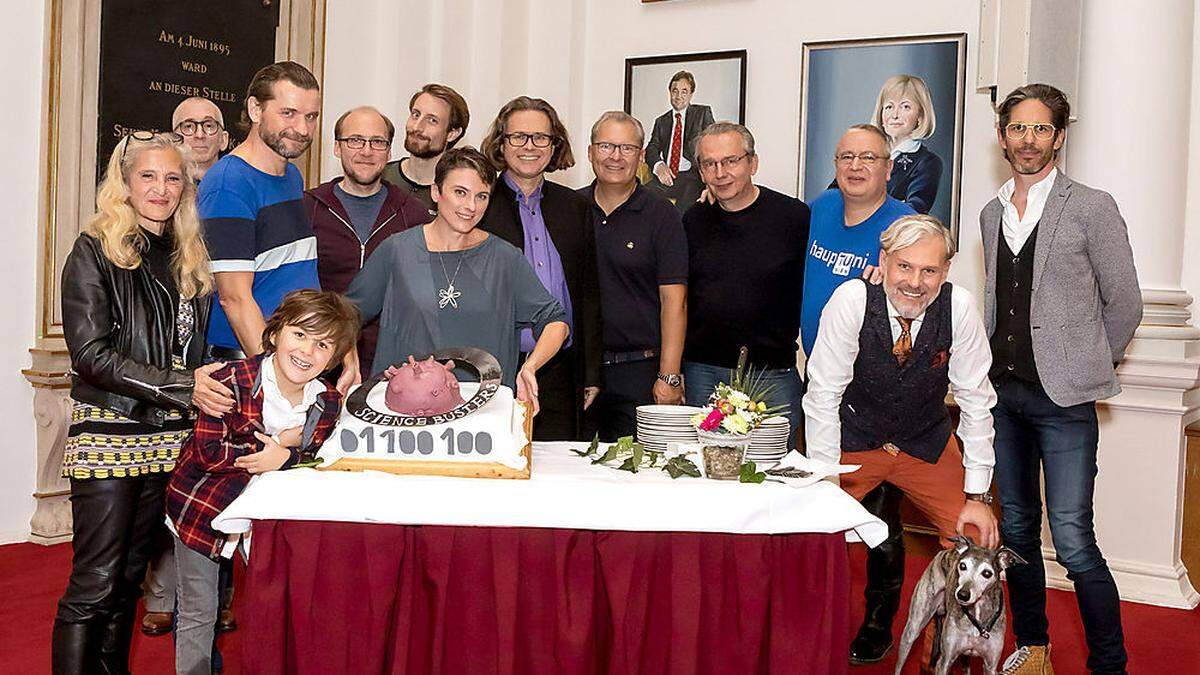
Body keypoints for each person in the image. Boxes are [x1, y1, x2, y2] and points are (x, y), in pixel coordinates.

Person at [984, 84, 1141, 675]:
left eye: (1041, 129)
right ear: (1003, 136)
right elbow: (1000, 304)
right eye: (1018, 128)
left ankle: (1110, 664)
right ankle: (1035, 650)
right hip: (1004, 399)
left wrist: (1090, 365)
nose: (1028, 140)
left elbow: (1124, 303)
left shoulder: (1092, 206)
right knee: (1018, 534)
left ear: (1060, 136)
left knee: (1074, 540)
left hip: (1064, 400)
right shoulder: (990, 210)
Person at [51, 132, 213, 673]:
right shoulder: (95, 246)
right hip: (110, 435)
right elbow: (90, 354)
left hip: (167, 440)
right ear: (124, 182)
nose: (161, 189)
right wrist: (180, 386)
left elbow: (191, 348)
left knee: (127, 581)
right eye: (148, 176)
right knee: (95, 581)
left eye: (173, 178)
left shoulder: (188, 255)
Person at [803, 214, 1000, 659]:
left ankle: (942, 653)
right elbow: (822, 395)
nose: (915, 282)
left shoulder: (961, 307)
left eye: (929, 270)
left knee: (976, 539)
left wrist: (978, 495)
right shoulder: (852, 300)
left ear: (946, 271)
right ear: (884, 261)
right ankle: (810, 644)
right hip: (854, 441)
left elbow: (975, 400)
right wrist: (826, 481)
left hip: (924, 443)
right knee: (809, 532)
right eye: (904, 267)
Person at [167, 289, 357, 675]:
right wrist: (275, 449)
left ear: (334, 358)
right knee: (200, 611)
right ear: (275, 334)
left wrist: (286, 455)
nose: (306, 351)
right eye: (299, 335)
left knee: (277, 608)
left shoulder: (328, 402)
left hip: (267, 519)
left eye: (322, 344)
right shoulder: (229, 379)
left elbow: (320, 458)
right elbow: (209, 452)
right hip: (202, 508)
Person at [801, 123, 917, 665]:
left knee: (878, 511)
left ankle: (877, 618)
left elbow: (928, 296)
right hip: (816, 382)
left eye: (868, 157)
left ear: (888, 168)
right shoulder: (817, 210)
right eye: (846, 155)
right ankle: (815, 610)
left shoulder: (905, 228)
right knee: (815, 497)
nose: (855, 166)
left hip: (878, 393)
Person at [347, 147, 569, 412]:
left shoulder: (505, 259)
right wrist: (350, 364)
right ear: (436, 192)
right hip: (403, 413)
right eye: (460, 192)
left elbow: (556, 320)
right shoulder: (397, 251)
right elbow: (347, 314)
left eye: (481, 196)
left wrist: (531, 366)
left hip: (482, 411)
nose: (471, 206)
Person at [196, 60, 355, 392]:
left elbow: (297, 279)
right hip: (248, 370)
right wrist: (276, 385)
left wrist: (338, 345)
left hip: (294, 363)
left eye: (310, 117)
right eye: (288, 113)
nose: (301, 128)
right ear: (256, 109)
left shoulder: (291, 177)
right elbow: (234, 299)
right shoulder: (229, 183)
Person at [139, 99, 233, 640]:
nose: (198, 134)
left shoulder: (231, 188)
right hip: (159, 371)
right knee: (156, 492)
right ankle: (159, 595)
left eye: (208, 126)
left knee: (209, 482)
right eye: (186, 127)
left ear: (223, 136)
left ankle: (213, 595)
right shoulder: (152, 206)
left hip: (218, 360)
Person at [478, 96, 601, 440]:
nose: (529, 146)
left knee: (560, 475)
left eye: (540, 138)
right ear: (501, 144)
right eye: (518, 137)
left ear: (554, 145)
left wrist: (591, 373)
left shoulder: (575, 206)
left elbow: (588, 291)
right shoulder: (481, 205)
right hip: (497, 367)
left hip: (562, 368)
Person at [682, 122, 809, 444]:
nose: (720, 172)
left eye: (731, 161)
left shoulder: (795, 217)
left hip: (772, 373)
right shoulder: (693, 220)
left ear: (752, 163)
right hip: (702, 372)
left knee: (774, 473)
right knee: (706, 471)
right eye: (710, 164)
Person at [579, 111, 688, 440]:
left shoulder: (663, 215)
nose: (615, 156)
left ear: (642, 157)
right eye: (606, 146)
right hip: (579, 372)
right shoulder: (570, 208)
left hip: (640, 374)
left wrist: (669, 377)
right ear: (590, 152)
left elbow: (675, 302)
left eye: (627, 148)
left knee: (639, 479)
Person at [307, 106, 434, 374]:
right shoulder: (308, 208)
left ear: (389, 152)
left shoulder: (414, 215)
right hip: (319, 361)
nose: (366, 151)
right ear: (337, 148)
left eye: (377, 142)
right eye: (355, 140)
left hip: (394, 366)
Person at [381, 83, 470, 213]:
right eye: (416, 115)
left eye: (432, 120)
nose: (417, 127)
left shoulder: (460, 194)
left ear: (452, 134)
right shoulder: (381, 178)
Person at [643, 70, 715, 213]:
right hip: (667, 175)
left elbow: (713, 145)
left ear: (691, 94)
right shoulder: (661, 121)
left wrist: (710, 181)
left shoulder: (702, 113)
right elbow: (652, 148)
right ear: (669, 92)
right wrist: (659, 166)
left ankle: (676, 233)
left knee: (683, 208)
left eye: (684, 91)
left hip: (692, 177)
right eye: (674, 91)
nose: (678, 96)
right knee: (641, 196)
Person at [873, 74, 943, 214]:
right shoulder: (864, 154)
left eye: (905, 106)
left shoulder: (927, 162)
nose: (895, 115)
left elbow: (914, 210)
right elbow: (832, 197)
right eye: (889, 107)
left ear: (920, 116)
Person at [172, 97, 230, 181]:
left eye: (209, 126)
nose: (200, 135)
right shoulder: (160, 189)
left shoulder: (240, 187)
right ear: (173, 139)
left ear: (223, 140)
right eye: (188, 126)